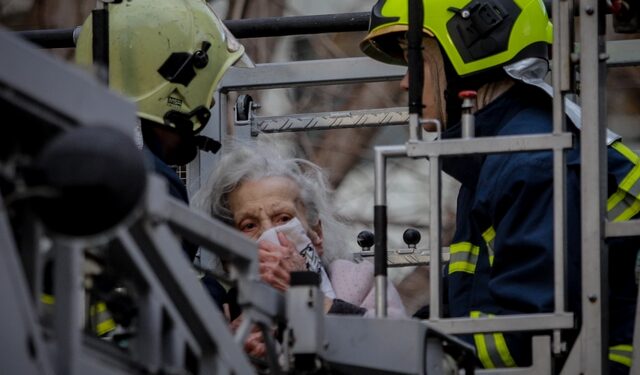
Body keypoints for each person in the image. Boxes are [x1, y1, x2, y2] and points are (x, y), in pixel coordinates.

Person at [360, 0, 638, 373]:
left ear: (469, 51)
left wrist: (418, 356)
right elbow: (461, 308)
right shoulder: (500, 156)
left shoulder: (532, 160)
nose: (405, 82)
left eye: (417, 61)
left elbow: (526, 333)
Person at [74, 0, 250, 308]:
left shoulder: (77, 155)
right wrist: (227, 290)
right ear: (176, 83)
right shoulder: (151, 182)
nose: (209, 104)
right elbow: (171, 310)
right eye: (206, 85)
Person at [193, 142, 406, 356]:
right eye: (249, 225)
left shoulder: (361, 281)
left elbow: (399, 350)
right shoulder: (219, 309)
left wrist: (306, 295)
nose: (270, 234)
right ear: (228, 257)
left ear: (317, 234)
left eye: (283, 218)